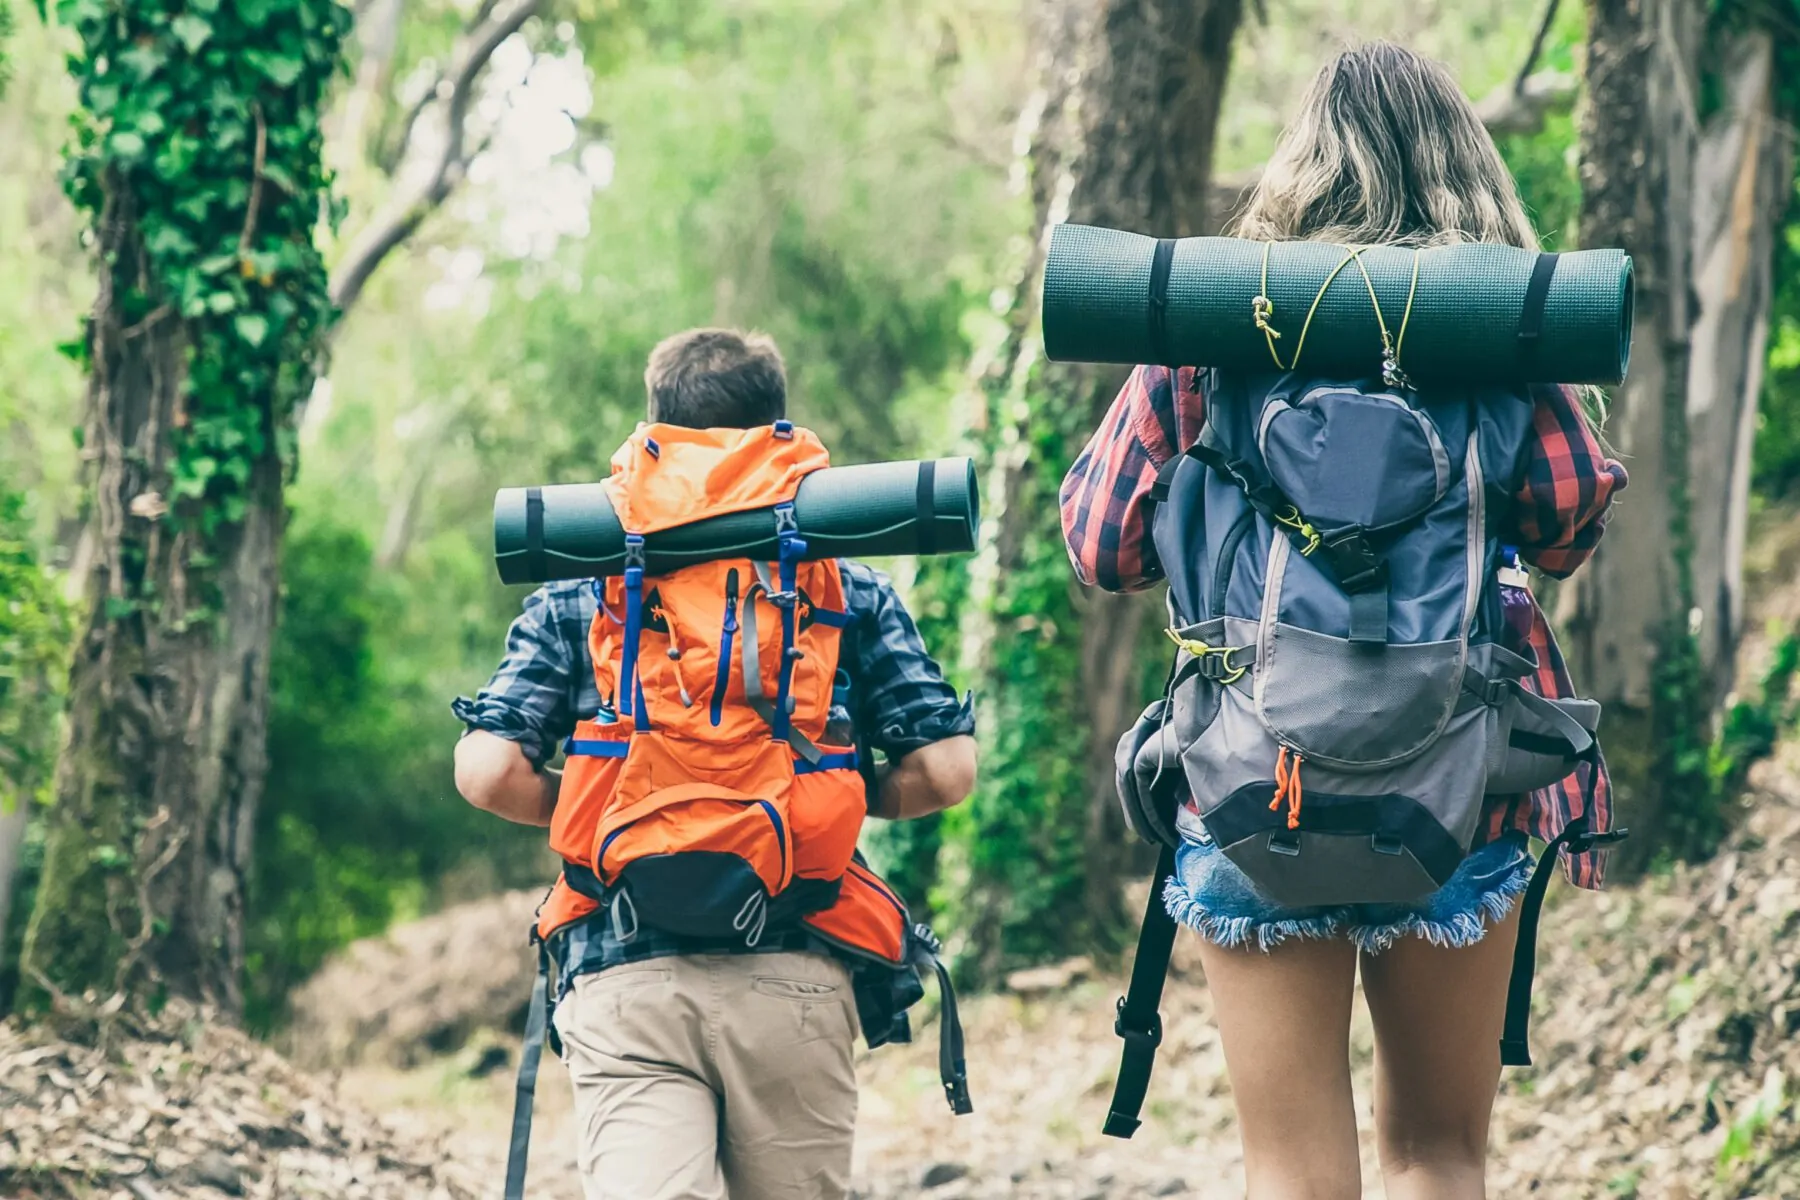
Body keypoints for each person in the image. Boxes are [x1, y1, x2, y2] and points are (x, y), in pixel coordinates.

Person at [1059, 43, 1627, 1200]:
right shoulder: (1498, 335)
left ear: (1300, 162)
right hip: (1463, 780)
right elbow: (1569, 524)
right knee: (1438, 1152)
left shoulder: (1217, 331)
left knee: (1290, 1170)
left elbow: (1100, 542)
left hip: (1250, 771)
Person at [453, 327, 977, 1200]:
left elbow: (486, 771)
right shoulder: (842, 585)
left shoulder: (588, 583)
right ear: (779, 428)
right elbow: (947, 770)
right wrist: (832, 795)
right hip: (797, 961)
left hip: (626, 970)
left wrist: (609, 801)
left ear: (657, 424)